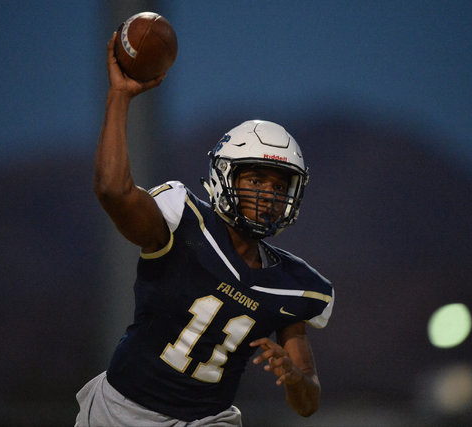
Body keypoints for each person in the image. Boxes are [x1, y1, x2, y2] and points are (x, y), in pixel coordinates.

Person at [75, 32, 334, 426]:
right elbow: (112, 190)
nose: (267, 195)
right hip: (121, 413)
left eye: (279, 185)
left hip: (207, 421)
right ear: (225, 176)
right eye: (256, 180)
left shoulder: (292, 284)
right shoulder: (181, 221)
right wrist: (119, 98)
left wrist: (296, 379)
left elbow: (307, 402)